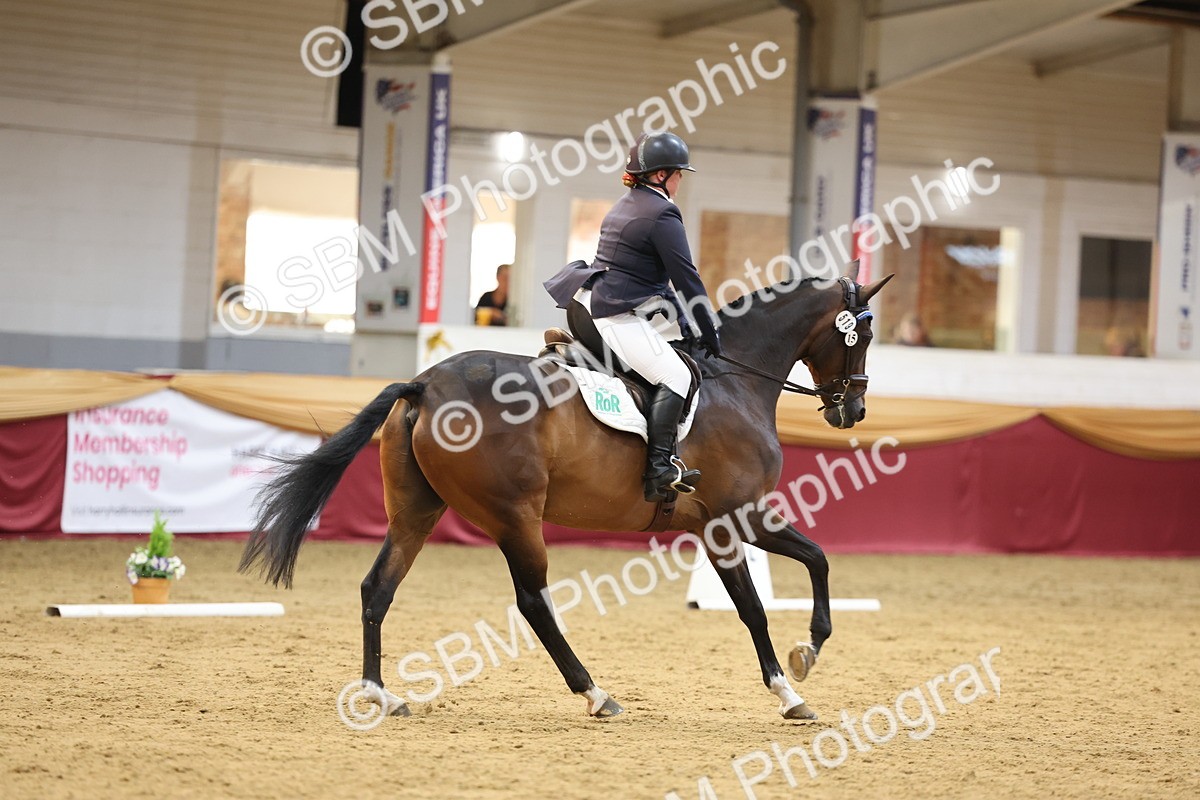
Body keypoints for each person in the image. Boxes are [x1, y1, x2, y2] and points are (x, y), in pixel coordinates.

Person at [543, 132, 722, 502]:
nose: (680, 180)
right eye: (677, 173)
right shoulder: (663, 213)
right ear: (659, 176)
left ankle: (579, 356)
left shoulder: (627, 203)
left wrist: (686, 323)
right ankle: (660, 469)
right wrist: (710, 329)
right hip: (611, 315)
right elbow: (687, 278)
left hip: (584, 306)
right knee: (677, 375)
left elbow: (652, 278)